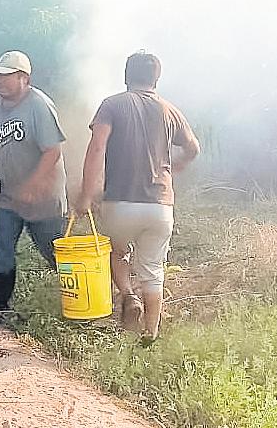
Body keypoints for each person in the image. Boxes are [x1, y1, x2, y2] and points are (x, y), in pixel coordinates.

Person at [76, 51, 200, 344]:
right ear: (156, 78)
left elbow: (97, 148)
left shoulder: (112, 105)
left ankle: (128, 295)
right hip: (160, 205)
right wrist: (174, 168)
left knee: (117, 251)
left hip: (120, 202)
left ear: (126, 76)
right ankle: (151, 333)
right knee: (153, 270)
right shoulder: (170, 110)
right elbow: (193, 148)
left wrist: (86, 194)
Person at [0, 51, 67, 322]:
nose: (0, 81)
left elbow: (52, 152)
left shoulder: (39, 106)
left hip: (42, 198)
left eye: (7, 76)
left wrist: (32, 186)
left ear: (24, 78)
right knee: (1, 247)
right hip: (8, 195)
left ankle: (84, 298)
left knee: (56, 251)